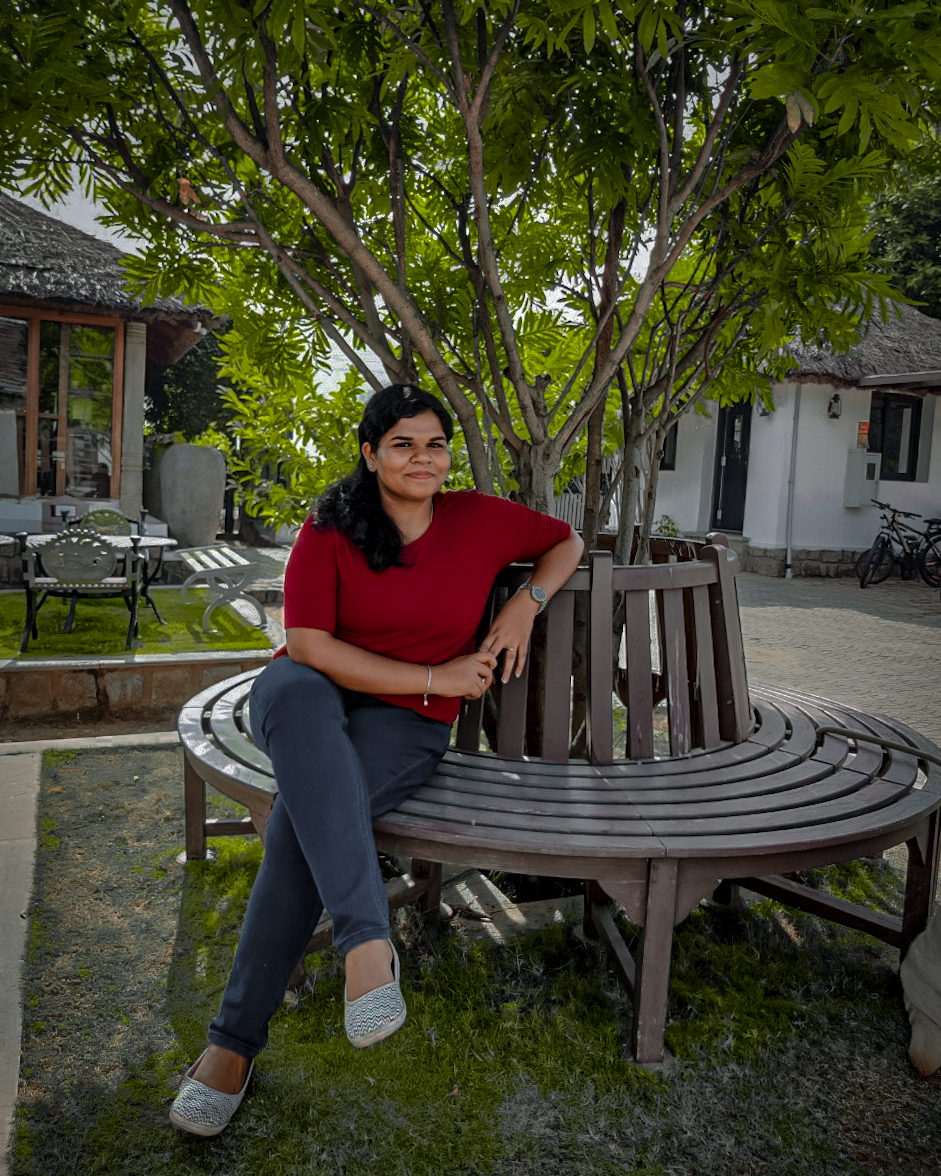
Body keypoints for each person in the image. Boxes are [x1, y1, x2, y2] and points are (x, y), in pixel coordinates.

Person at [169, 383, 584, 1136]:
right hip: (311, 699)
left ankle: (231, 1046)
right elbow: (307, 646)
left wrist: (527, 602)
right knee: (295, 692)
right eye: (402, 445)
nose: (423, 458)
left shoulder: (480, 520)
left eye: (435, 444)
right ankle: (366, 941)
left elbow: (567, 542)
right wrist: (436, 677)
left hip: (403, 725)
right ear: (370, 453)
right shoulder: (329, 526)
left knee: (298, 827)